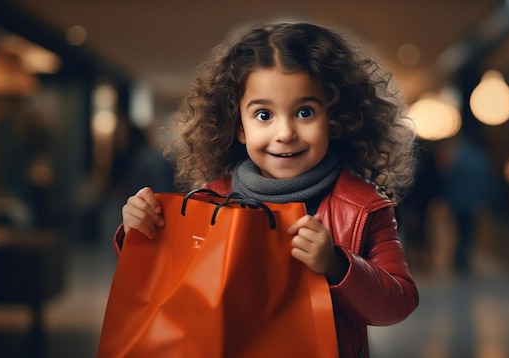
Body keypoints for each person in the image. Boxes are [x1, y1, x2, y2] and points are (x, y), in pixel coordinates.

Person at [116, 22, 418, 357]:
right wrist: (141, 233)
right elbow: (168, 287)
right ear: (239, 127)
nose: (285, 132)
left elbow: (398, 301)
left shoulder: (364, 208)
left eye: (305, 112)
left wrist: (336, 265)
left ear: (334, 118)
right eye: (263, 114)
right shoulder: (209, 202)